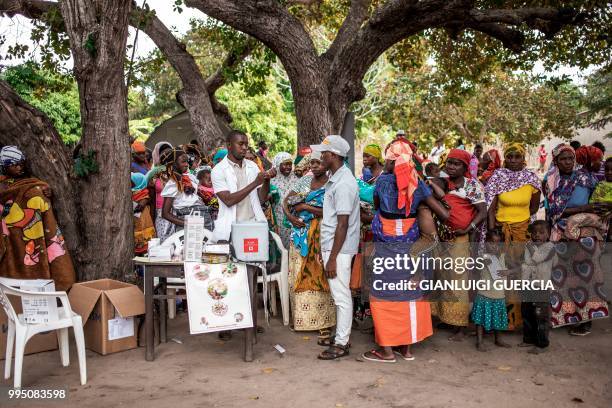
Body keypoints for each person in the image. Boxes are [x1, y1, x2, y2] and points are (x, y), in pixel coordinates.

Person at [361, 141, 449, 362]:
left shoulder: (382, 182)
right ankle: (406, 350)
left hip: (387, 248)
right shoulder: (416, 183)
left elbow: (378, 205)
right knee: (410, 294)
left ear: (390, 160)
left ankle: (387, 351)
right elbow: (444, 214)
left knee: (382, 295)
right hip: (412, 249)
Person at [211, 131, 277, 345]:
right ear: (229, 145)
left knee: (251, 278)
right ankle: (227, 324)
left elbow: (261, 197)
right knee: (228, 279)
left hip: (251, 227)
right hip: (230, 229)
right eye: (240, 144)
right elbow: (229, 200)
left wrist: (265, 180)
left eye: (246, 145)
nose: (245, 148)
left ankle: (249, 322)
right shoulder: (218, 170)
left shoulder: (251, 166)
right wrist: (255, 182)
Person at [543, 143, 610, 335]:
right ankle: (566, 316)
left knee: (587, 276)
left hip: (586, 231)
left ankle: (586, 319)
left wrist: (585, 212)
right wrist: (583, 209)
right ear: (555, 160)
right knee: (562, 277)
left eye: (570, 158)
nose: (567, 162)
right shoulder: (550, 181)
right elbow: (553, 211)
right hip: (560, 232)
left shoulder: (585, 178)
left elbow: (597, 204)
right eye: (563, 159)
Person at [308, 135, 360, 360]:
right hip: (333, 247)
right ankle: (341, 336)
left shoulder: (344, 183)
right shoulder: (336, 180)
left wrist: (332, 257)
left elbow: (343, 223)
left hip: (339, 249)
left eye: (324, 153)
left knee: (341, 296)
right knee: (339, 294)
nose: (321, 156)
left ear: (334, 156)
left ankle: (342, 342)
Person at [429, 149, 487, 340]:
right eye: (450, 163)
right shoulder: (441, 183)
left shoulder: (472, 185)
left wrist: (468, 227)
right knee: (441, 278)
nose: (452, 167)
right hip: (441, 238)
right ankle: (444, 318)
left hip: (460, 238)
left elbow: (482, 211)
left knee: (458, 281)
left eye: (457, 164)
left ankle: (460, 326)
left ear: (464, 167)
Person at [0, 146, 75, 290]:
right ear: (4, 167)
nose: (19, 167)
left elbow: (41, 204)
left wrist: (46, 192)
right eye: (14, 165)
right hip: (10, 239)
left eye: (21, 163)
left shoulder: (32, 184)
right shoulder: (2, 187)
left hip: (35, 236)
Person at [485, 143, 541, 330]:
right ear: (505, 158)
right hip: (500, 233)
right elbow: (491, 209)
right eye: (510, 157)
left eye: (517, 156)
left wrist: (522, 226)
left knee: (517, 273)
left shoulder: (531, 179)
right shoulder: (497, 178)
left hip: (521, 233)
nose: (514, 160)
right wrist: (493, 234)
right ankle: (497, 319)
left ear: (523, 158)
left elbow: (534, 208)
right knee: (498, 274)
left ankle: (515, 321)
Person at [282, 152, 336, 335]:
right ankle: (302, 320)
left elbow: (332, 211)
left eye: (318, 163)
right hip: (300, 233)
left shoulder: (332, 183)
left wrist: (305, 207)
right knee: (298, 274)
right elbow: (286, 201)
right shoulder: (304, 182)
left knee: (319, 275)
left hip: (321, 233)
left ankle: (323, 322)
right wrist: (291, 217)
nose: (314, 166)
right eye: (312, 162)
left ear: (326, 164)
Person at [160, 148, 212, 241]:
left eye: (187, 161)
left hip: (203, 217)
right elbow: (165, 213)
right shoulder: (173, 183)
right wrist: (187, 223)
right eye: (183, 162)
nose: (187, 164)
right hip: (188, 219)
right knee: (190, 249)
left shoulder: (190, 178)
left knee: (206, 250)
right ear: (174, 164)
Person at [519, 221, 556, 353]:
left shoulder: (550, 247)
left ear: (549, 234)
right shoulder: (529, 245)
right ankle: (528, 339)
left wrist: (531, 249)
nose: (537, 235)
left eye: (541, 233)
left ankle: (542, 344)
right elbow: (527, 262)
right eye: (534, 233)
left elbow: (537, 259)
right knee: (527, 313)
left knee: (541, 316)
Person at [472, 229, 510, 351]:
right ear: (485, 242)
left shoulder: (503, 257)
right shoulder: (483, 257)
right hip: (485, 294)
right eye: (491, 242)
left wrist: (508, 272)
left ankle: (498, 339)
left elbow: (516, 268)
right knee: (480, 319)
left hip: (499, 294)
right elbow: (475, 267)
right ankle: (479, 341)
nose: (494, 246)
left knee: (498, 318)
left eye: (498, 243)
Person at [271, 152, 298, 249]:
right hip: (277, 219)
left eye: (290, 164)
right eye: (285, 164)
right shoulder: (271, 181)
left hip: (294, 219)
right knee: (279, 246)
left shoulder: (296, 179)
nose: (288, 167)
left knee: (293, 247)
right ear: (277, 165)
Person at [131, 172, 155, 255]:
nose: (130, 183)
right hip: (135, 222)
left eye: (132, 182)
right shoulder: (131, 192)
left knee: (144, 241)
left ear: (138, 182)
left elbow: (143, 203)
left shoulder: (143, 194)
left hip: (143, 220)